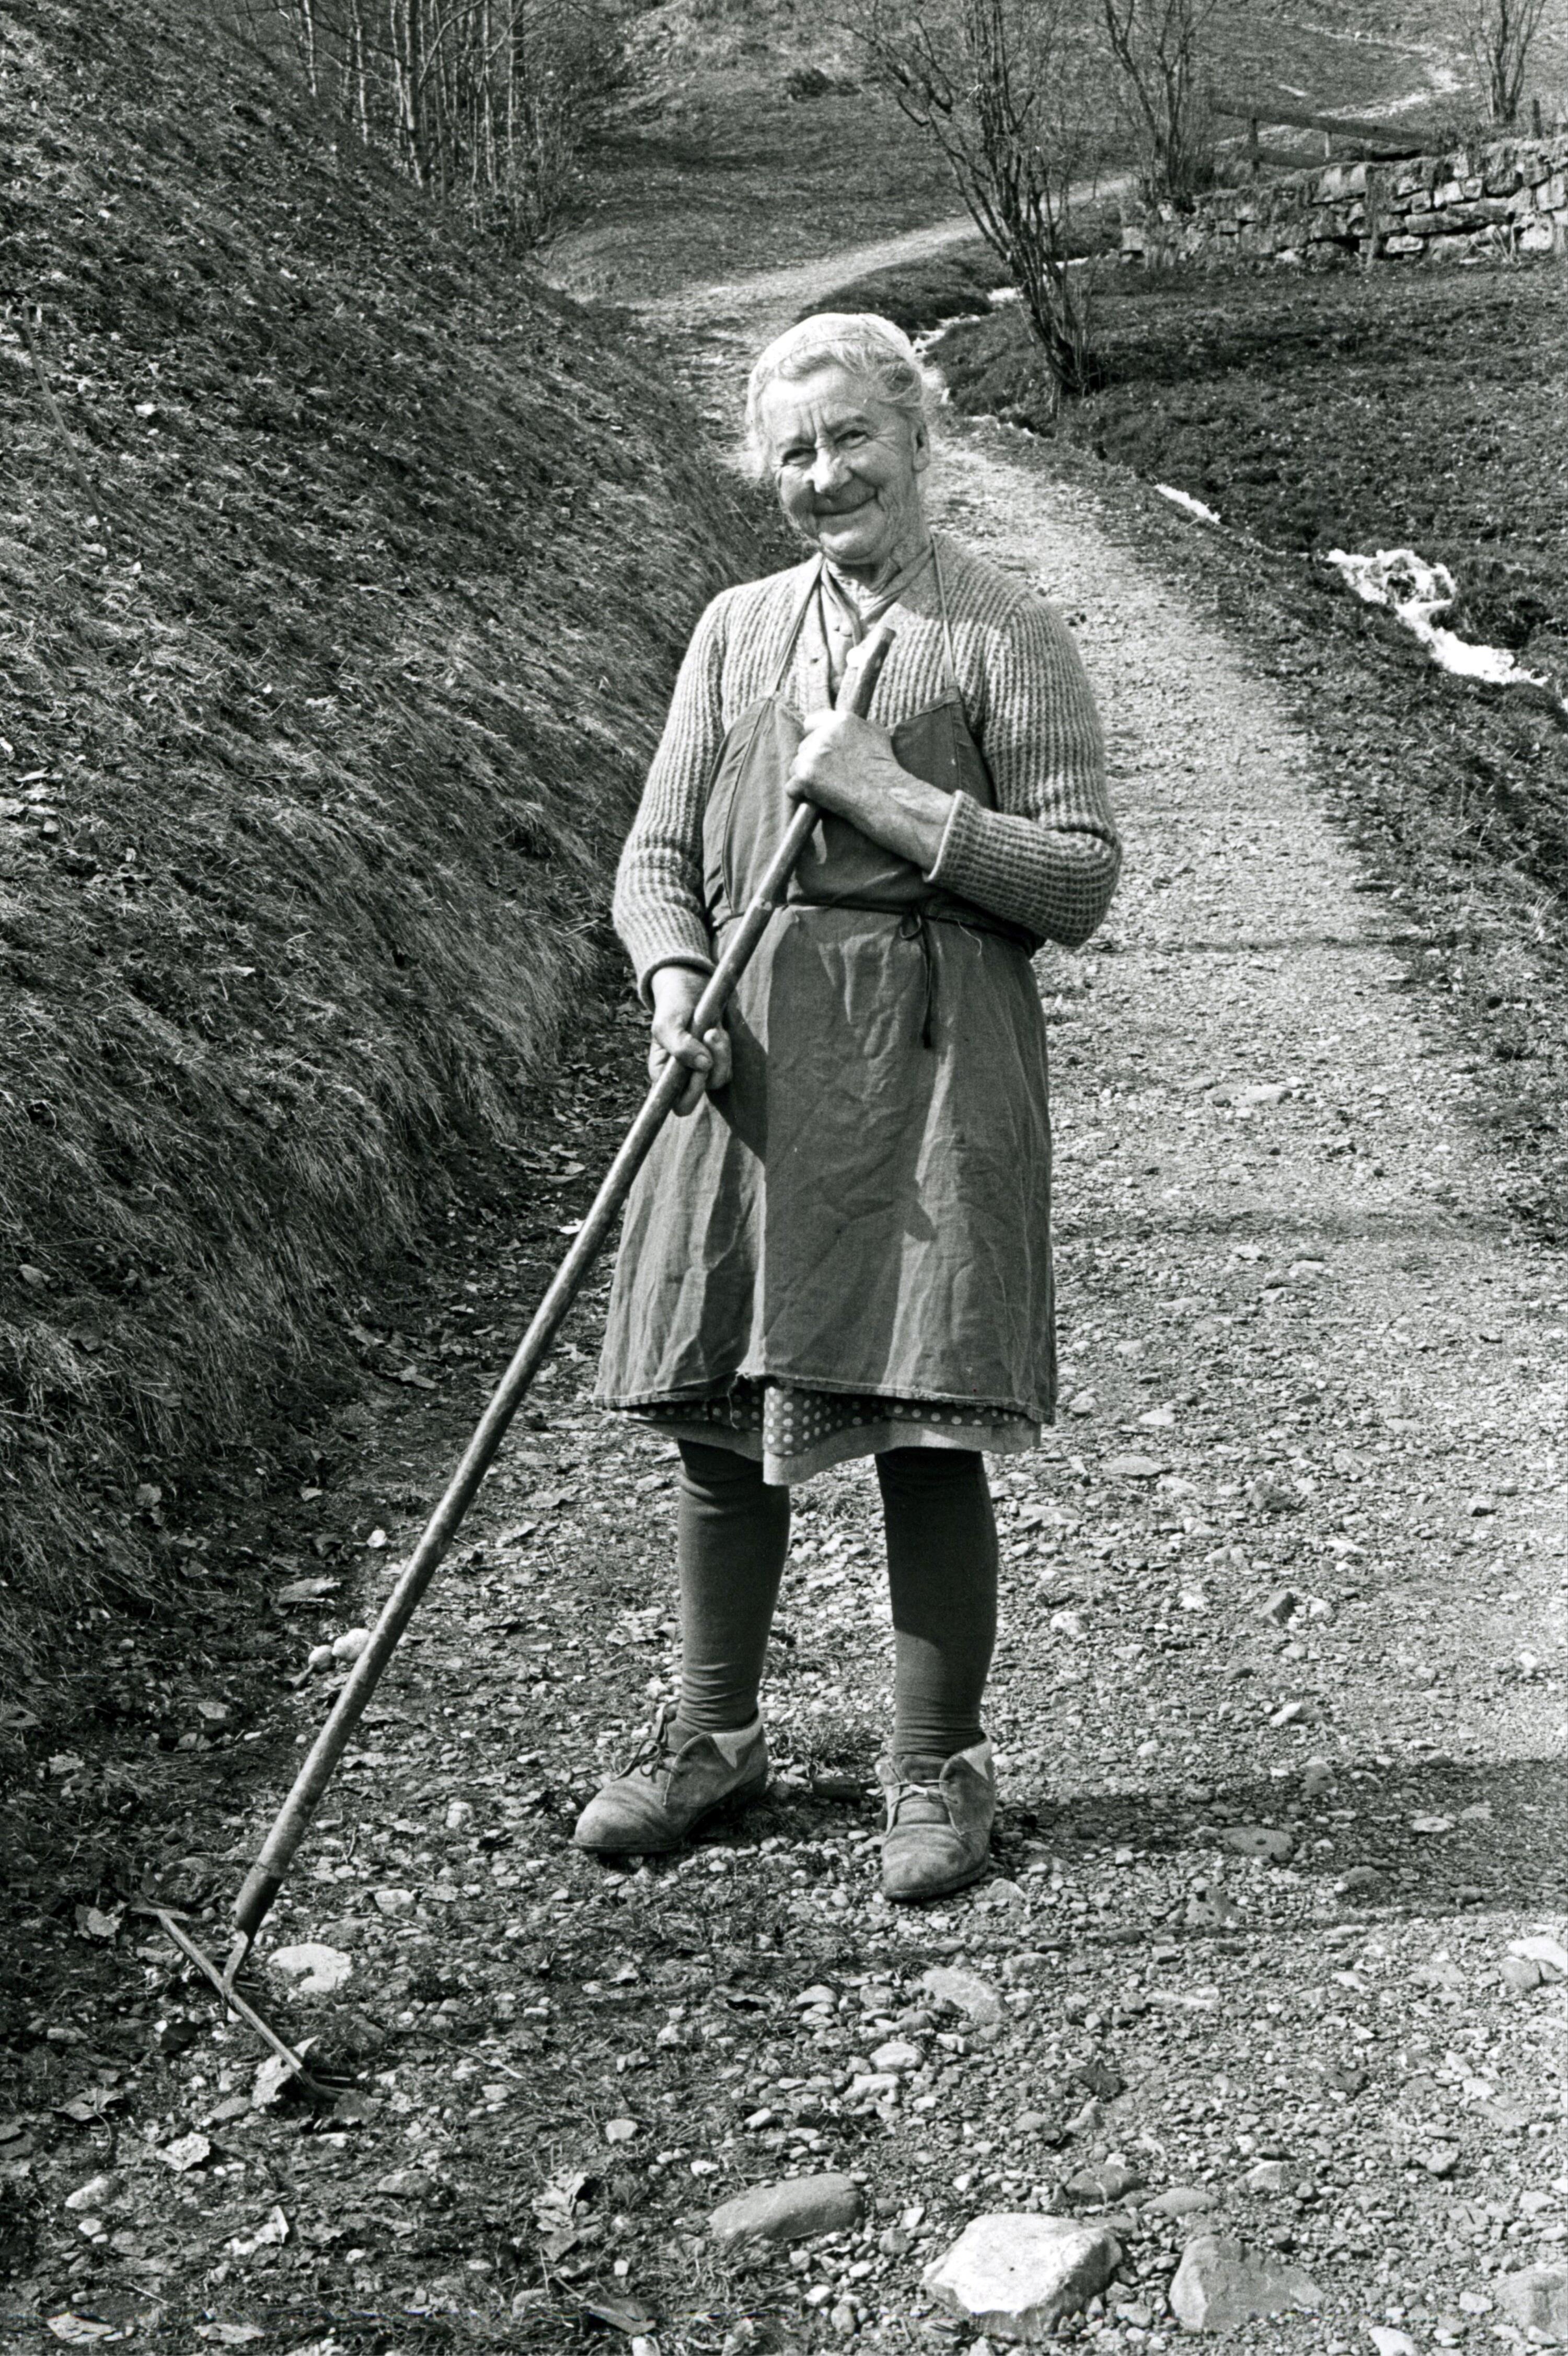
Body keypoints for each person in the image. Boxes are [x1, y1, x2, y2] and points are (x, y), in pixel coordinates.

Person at [574, 311, 1120, 1901]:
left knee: (924, 1418)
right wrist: (675, 982)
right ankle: (713, 1734)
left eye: (852, 439)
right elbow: (656, 858)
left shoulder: (1004, 632)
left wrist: (894, 797)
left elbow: (1080, 881)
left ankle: (937, 1766)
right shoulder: (736, 628)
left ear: (918, 436)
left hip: (932, 1065)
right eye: (795, 453)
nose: (825, 477)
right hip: (750, 1058)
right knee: (716, 1415)